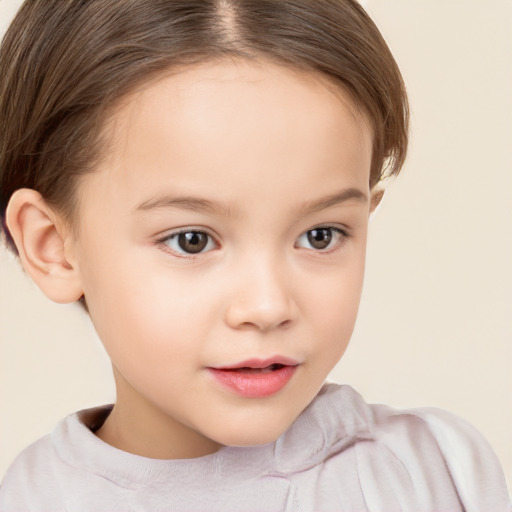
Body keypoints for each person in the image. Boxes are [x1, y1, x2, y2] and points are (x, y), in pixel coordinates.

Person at [0, 0, 509, 510]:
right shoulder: (31, 499)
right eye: (191, 240)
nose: (268, 306)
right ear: (54, 247)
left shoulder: (436, 475)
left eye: (321, 235)